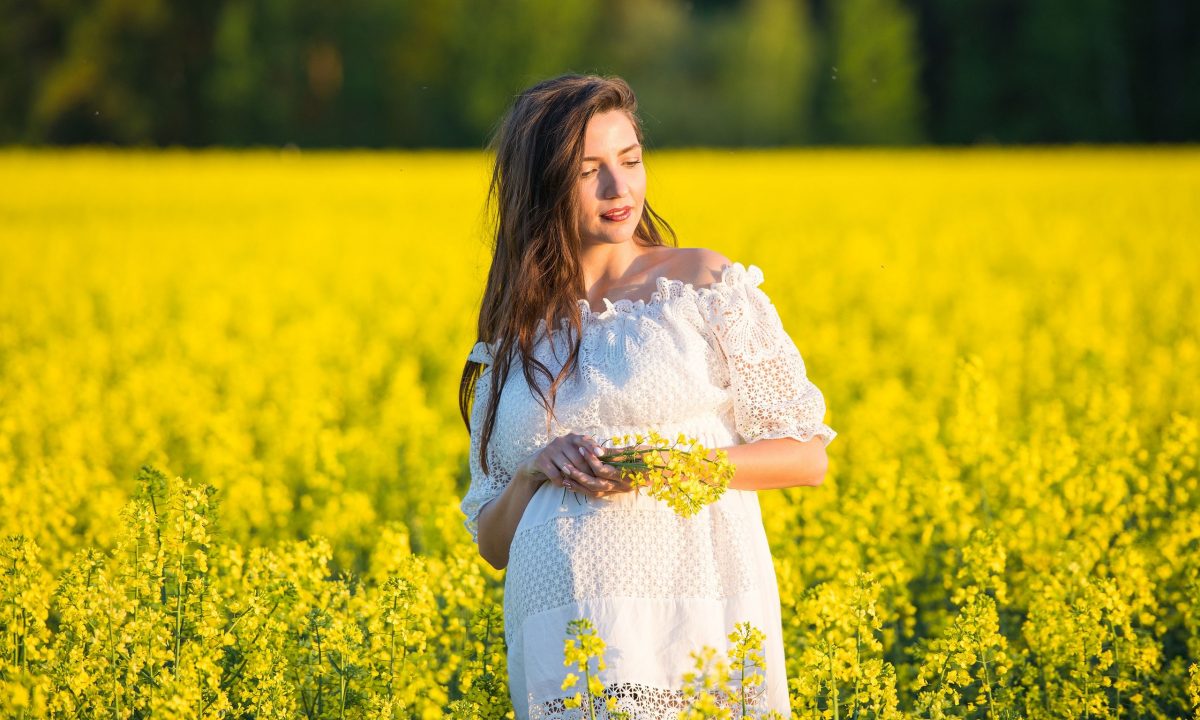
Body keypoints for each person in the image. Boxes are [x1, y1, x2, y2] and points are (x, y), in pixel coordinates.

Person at [458, 73, 836, 719]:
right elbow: (494, 545)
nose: (619, 188)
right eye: (589, 171)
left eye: (630, 161)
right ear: (543, 184)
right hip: (562, 633)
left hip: (689, 613)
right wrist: (532, 471)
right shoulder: (516, 330)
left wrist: (674, 465)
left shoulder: (701, 284)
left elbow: (806, 457)